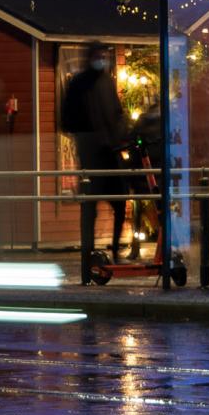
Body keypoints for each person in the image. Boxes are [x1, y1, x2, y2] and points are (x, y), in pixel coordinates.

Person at [61, 43, 129, 264]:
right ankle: (89, 256)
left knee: (116, 203)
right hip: (93, 153)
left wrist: (118, 136)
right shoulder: (81, 84)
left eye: (104, 56)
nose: (102, 59)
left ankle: (113, 251)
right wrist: (89, 137)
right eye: (99, 56)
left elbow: (117, 114)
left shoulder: (105, 82)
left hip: (108, 152)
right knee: (92, 207)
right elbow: (68, 119)